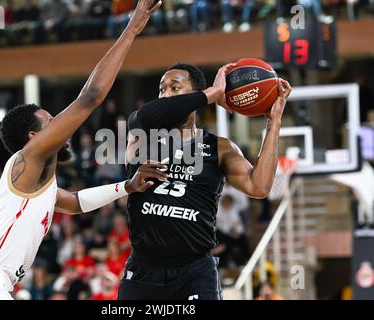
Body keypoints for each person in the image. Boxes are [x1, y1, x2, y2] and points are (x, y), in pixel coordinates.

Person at [0, 0, 163, 300]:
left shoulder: (38, 181)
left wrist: (128, 186)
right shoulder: (28, 159)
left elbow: (75, 203)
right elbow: (90, 97)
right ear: (34, 137)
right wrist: (132, 29)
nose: (60, 125)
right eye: (51, 121)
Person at [120, 62, 292, 300]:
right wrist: (212, 95)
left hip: (195, 271)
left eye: (174, 87)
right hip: (144, 268)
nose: (166, 94)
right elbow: (151, 113)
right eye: (162, 89)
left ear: (194, 94)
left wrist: (274, 124)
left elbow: (259, 186)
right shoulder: (140, 133)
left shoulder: (219, 147)